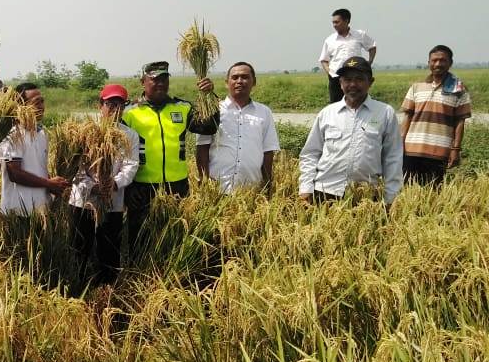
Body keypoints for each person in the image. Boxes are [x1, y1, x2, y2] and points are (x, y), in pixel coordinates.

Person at [121, 60, 219, 249]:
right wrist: (127, 188)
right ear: (143, 81)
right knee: (140, 239)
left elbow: (208, 128)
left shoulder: (182, 108)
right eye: (155, 79)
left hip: (177, 186)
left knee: (174, 237)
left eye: (164, 79)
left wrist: (209, 96)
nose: (160, 83)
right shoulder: (129, 112)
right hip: (141, 187)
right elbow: (117, 153)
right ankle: (140, 272)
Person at [299, 56, 402, 205]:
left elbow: (393, 158)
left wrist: (390, 198)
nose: (353, 84)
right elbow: (310, 153)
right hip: (326, 193)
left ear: (370, 82)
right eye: (347, 80)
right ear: (340, 83)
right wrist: (306, 188)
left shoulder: (385, 113)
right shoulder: (327, 113)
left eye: (359, 79)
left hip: (366, 197)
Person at [69, 84, 140, 285]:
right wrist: (92, 186)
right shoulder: (84, 132)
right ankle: (79, 285)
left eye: (120, 104)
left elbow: (131, 165)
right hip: (82, 202)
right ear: (101, 105)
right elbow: (75, 166)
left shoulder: (129, 135)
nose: (115, 109)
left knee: (109, 250)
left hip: (112, 202)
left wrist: (113, 184)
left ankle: (107, 289)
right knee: (79, 248)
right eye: (110, 104)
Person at [196, 62, 279, 194]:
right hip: (217, 189)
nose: (239, 81)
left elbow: (268, 151)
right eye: (235, 78)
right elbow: (202, 147)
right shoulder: (213, 110)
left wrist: (267, 185)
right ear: (226, 82)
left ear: (254, 82)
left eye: (245, 77)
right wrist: (204, 180)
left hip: (252, 190)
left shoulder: (264, 112)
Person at [399, 45, 472, 187]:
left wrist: (455, 150)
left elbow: (460, 122)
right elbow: (407, 117)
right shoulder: (416, 86)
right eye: (434, 60)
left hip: (439, 152)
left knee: (433, 196)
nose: (438, 64)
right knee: (406, 193)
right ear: (429, 63)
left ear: (450, 63)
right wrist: (400, 144)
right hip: (411, 150)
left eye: (442, 60)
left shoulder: (459, 89)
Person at [0, 84, 69, 216]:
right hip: (18, 211)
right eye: (36, 102)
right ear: (21, 106)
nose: (41, 106)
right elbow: (14, 173)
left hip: (41, 209)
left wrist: (54, 185)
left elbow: (39, 168)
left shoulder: (42, 134)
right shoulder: (13, 134)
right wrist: (49, 183)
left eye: (42, 101)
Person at [319, 8, 377, 103]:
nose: (334, 25)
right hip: (336, 77)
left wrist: (369, 62)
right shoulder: (330, 40)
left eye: (337, 22)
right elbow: (324, 59)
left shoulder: (360, 35)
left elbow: (372, 46)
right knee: (336, 105)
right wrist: (330, 72)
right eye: (333, 22)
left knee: (358, 102)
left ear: (346, 21)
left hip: (356, 76)